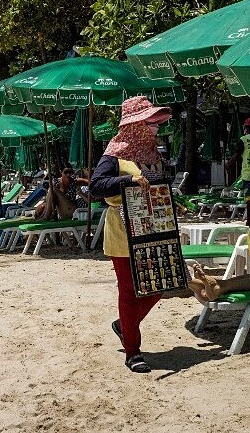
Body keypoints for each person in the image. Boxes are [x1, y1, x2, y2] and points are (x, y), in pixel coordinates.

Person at [90, 96, 172, 374]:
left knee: (160, 285)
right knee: (128, 291)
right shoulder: (113, 153)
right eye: (150, 123)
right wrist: (128, 180)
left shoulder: (153, 153)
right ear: (136, 124)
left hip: (153, 228)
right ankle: (133, 351)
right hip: (122, 230)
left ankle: (124, 325)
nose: (155, 128)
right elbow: (96, 186)